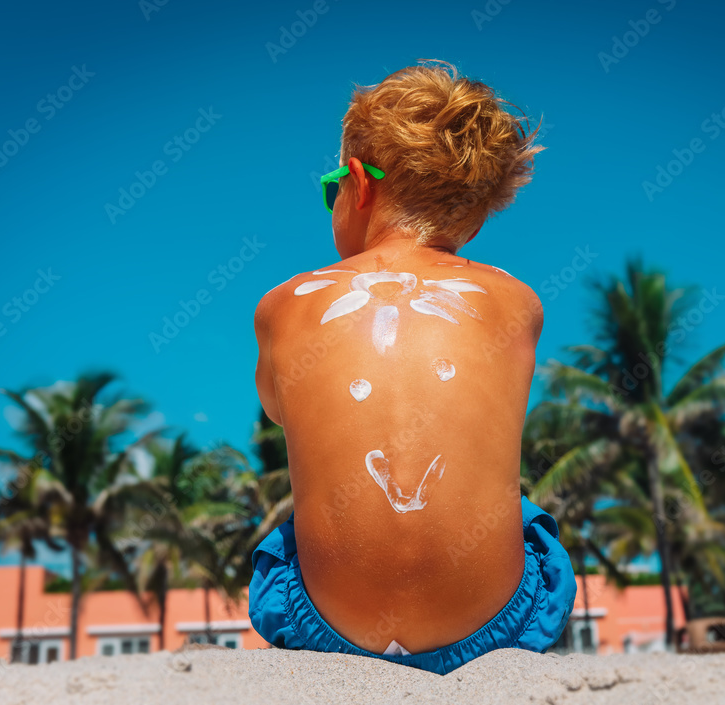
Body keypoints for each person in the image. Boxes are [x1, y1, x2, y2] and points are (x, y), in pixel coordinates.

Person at [248, 61, 576, 675]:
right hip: (496, 626)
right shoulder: (517, 300)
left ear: (356, 182)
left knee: (292, 532)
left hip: (325, 630)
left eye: (330, 190)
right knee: (526, 518)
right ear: (475, 221)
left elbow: (276, 407)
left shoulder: (281, 305)